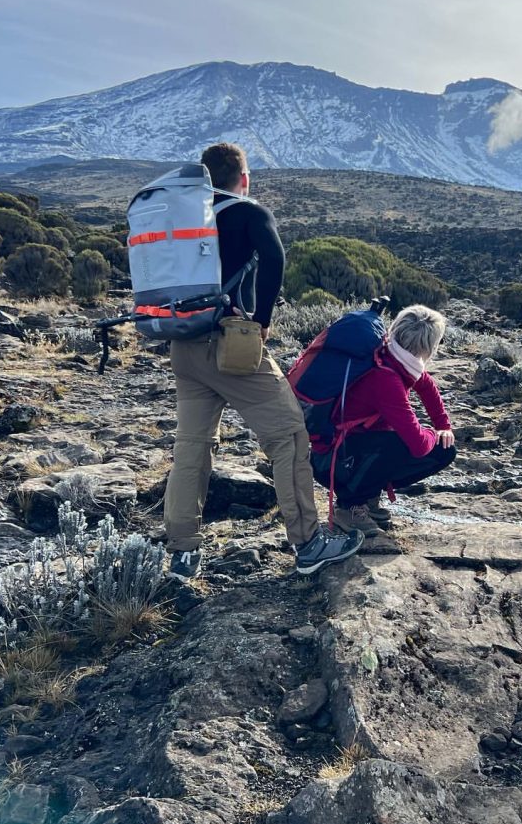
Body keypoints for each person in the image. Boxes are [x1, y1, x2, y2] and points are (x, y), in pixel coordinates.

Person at [162, 142, 363, 579]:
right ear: (243, 178)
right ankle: (309, 543)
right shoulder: (249, 212)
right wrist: (263, 320)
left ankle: (182, 552)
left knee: (192, 447)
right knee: (289, 434)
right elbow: (274, 258)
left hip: (183, 345)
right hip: (231, 344)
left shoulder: (180, 216)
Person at [311, 305, 457, 537]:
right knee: (402, 443)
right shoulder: (385, 378)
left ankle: (367, 496)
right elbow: (419, 445)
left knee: (437, 447)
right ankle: (349, 507)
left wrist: (443, 426)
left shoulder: (390, 354)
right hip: (332, 461)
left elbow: (426, 385)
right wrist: (433, 433)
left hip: (343, 452)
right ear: (429, 346)